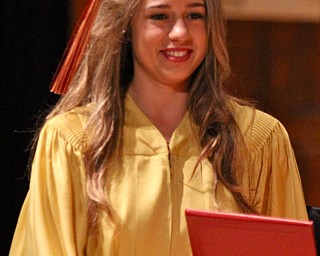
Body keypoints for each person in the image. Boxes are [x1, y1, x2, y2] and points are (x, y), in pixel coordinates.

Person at [10, 0, 308, 255]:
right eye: (160, 16)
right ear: (126, 25)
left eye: (195, 15)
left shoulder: (257, 139)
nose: (180, 33)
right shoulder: (73, 140)